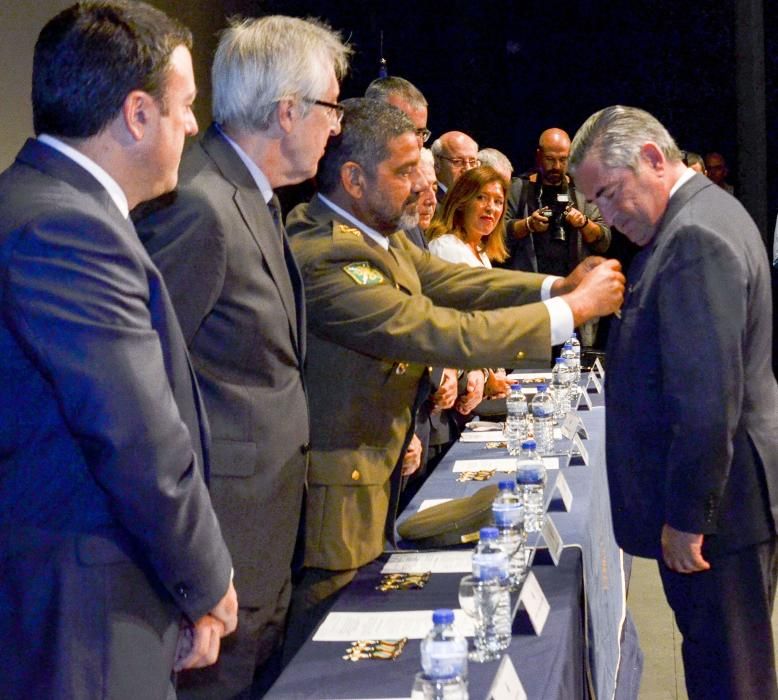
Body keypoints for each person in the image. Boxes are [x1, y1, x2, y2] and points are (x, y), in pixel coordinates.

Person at [283, 97, 625, 649]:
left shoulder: (378, 234)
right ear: (353, 178)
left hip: (373, 472)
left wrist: (553, 288)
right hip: (335, 494)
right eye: (402, 173)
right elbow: (438, 331)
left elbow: (455, 283)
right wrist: (573, 312)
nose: (420, 189)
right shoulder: (326, 252)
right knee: (323, 654)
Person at [0, 2, 238, 698]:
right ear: (138, 114)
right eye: (186, 106)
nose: (193, 126)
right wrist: (207, 581)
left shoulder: (47, 204)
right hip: (86, 607)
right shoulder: (67, 228)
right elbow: (138, 438)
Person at [133, 15, 350, 698]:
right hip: (217, 556)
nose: (337, 126)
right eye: (331, 106)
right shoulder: (200, 206)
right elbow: (146, 392)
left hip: (261, 544)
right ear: (289, 112)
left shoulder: (253, 198)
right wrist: (192, 574)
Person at [570, 105, 778, 699]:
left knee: (729, 678)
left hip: (720, 513)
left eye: (609, 194)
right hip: (726, 505)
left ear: (654, 160)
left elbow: (708, 402)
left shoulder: (693, 237)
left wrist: (689, 518)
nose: (606, 215)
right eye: (595, 205)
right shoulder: (700, 216)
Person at [504, 128, 611, 278]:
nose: (556, 166)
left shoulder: (583, 190)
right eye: (550, 159)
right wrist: (528, 224)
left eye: (563, 159)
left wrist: (583, 223)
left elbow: (603, 241)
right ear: (538, 156)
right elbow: (499, 235)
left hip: (572, 286)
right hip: (529, 285)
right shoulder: (518, 188)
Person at [431, 130, 480, 202]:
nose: (468, 169)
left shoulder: (475, 200)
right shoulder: (431, 201)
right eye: (458, 162)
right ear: (437, 164)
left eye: (472, 162)